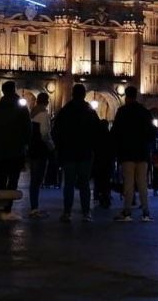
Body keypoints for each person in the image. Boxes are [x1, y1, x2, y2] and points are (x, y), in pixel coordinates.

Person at [50, 84, 102, 223]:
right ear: (84, 95)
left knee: (69, 183)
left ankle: (67, 212)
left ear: (72, 94)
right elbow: (97, 132)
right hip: (85, 153)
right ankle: (86, 213)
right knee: (84, 184)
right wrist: (93, 148)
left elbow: (55, 132)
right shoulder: (90, 112)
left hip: (68, 153)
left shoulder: (65, 111)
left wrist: (60, 147)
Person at [111, 88, 157, 222]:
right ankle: (146, 212)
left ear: (126, 97)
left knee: (129, 184)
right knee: (142, 183)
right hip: (142, 153)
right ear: (136, 96)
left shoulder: (122, 112)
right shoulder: (144, 112)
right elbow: (152, 131)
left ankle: (127, 212)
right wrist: (147, 144)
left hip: (127, 153)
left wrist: (117, 150)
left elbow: (116, 133)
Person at [0, 82, 32, 221]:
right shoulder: (21, 109)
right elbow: (28, 129)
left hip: (0, 150)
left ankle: (1, 207)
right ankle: (8, 209)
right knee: (13, 180)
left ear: (2, 91)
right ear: (13, 90)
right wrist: (25, 143)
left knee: (1, 180)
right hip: (16, 150)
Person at [25, 92, 54, 218]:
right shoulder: (43, 114)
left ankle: (34, 206)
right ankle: (34, 208)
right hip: (41, 150)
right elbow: (45, 134)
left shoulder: (31, 113)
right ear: (46, 102)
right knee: (37, 179)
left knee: (34, 180)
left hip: (32, 149)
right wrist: (52, 146)